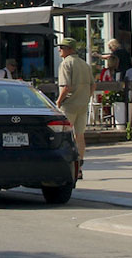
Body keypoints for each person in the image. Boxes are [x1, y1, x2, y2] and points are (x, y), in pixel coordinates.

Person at [55, 37, 94, 176]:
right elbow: (93, 85)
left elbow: (66, 87)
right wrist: (86, 97)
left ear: (70, 49)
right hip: (82, 104)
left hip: (69, 105)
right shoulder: (84, 64)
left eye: (62, 47)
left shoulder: (66, 63)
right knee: (80, 135)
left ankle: (67, 167)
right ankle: (80, 168)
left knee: (64, 136)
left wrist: (58, 102)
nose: (59, 49)